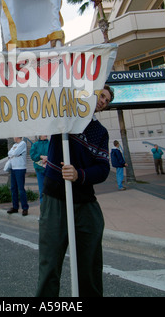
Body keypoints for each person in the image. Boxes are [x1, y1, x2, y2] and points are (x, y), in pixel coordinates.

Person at [36, 84, 114, 298]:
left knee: (90, 266)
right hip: (55, 200)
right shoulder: (65, 113)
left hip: (85, 203)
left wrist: (79, 174)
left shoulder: (101, 132)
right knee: (50, 263)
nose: (103, 102)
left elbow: (103, 168)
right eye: (102, 95)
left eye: (107, 101)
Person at [7, 137, 29, 216]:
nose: (13, 137)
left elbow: (14, 153)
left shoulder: (23, 143)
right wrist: (14, 153)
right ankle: (15, 207)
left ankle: (25, 208)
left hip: (20, 168)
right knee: (13, 188)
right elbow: (9, 153)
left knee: (21, 188)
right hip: (13, 168)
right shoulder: (15, 145)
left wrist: (14, 154)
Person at [30, 136, 49, 203]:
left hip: (49, 170)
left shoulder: (50, 144)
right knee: (42, 190)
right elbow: (32, 156)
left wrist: (47, 158)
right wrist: (41, 156)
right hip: (39, 170)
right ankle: (43, 209)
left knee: (50, 190)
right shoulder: (35, 145)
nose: (45, 134)